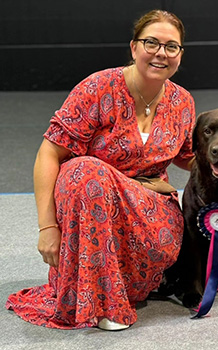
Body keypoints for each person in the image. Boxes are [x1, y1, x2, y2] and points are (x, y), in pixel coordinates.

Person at [6, 9, 196, 331]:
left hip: (148, 207)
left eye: (171, 46)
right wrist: (47, 227)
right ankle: (105, 305)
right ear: (134, 47)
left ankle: (125, 286)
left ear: (180, 54)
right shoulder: (98, 87)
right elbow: (48, 153)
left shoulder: (183, 103)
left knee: (105, 184)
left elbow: (188, 157)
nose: (161, 53)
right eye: (151, 43)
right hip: (90, 200)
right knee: (87, 172)